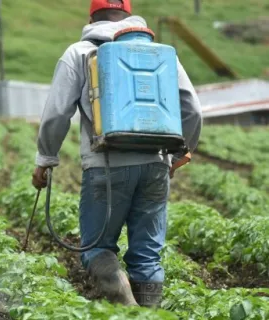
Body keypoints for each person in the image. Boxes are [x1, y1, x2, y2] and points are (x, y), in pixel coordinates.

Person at [31, 0, 202, 308]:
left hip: (105, 165)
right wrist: (180, 154)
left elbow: (57, 114)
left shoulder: (80, 53)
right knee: (147, 256)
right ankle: (149, 314)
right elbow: (192, 108)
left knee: (98, 249)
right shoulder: (160, 53)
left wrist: (46, 159)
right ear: (128, 14)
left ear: (92, 16)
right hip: (155, 165)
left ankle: (121, 295)